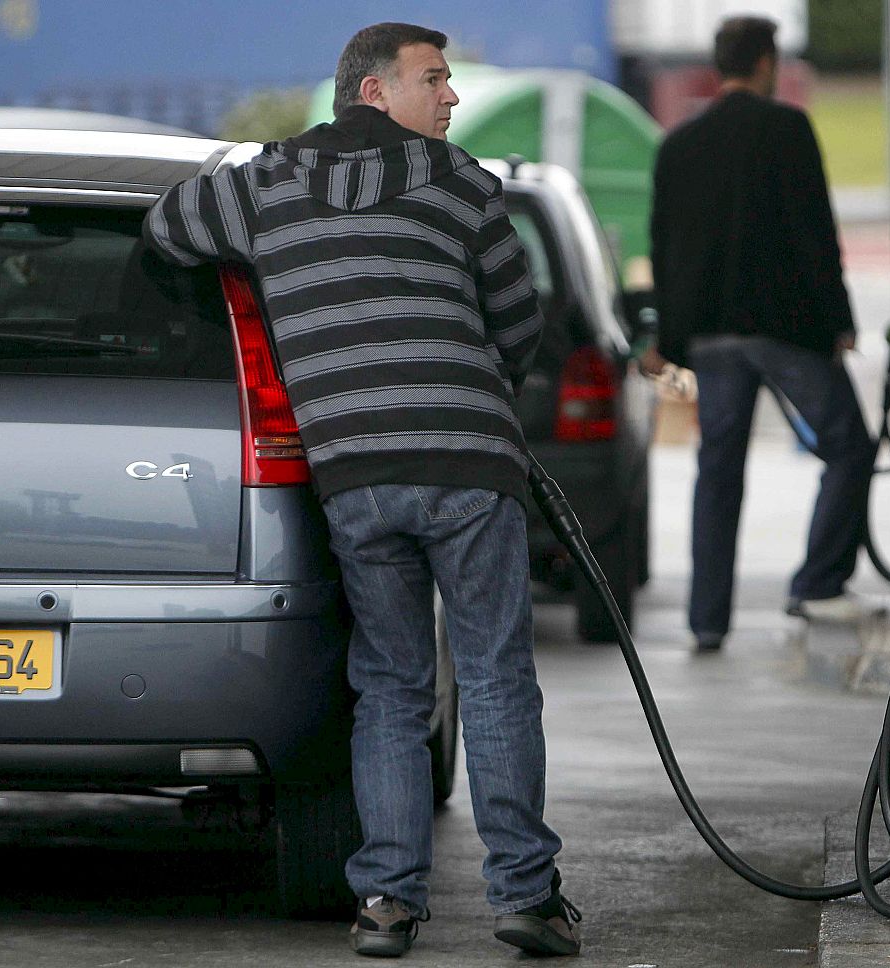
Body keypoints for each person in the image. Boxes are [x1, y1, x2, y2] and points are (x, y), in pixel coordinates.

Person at [142, 21, 580, 960]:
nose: (453, 99)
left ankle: (386, 903)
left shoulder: (264, 186)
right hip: (468, 465)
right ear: (373, 92)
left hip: (354, 477)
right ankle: (526, 899)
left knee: (387, 687)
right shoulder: (461, 185)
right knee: (497, 676)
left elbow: (165, 227)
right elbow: (518, 323)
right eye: (436, 81)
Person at [642, 15, 876, 652]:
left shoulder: (680, 144)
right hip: (786, 329)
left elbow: (664, 248)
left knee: (718, 471)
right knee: (849, 447)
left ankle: (707, 620)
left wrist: (670, 335)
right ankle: (816, 583)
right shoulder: (788, 130)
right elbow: (814, 234)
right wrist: (839, 321)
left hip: (712, 338)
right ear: (768, 63)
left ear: (720, 65)